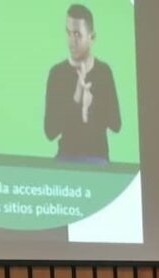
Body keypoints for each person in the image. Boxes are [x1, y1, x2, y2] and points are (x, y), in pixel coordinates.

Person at [44, 4, 122, 164]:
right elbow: (50, 131)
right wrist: (76, 99)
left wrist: (90, 107)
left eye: (78, 34)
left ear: (92, 37)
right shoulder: (57, 73)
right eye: (69, 33)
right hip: (66, 158)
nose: (71, 41)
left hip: (98, 158)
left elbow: (116, 124)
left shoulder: (104, 72)